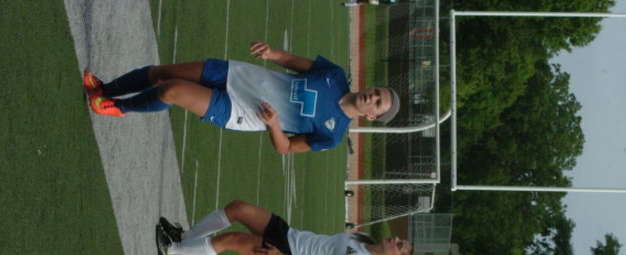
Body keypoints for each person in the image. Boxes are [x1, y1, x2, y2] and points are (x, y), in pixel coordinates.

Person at [84, 41, 400, 154]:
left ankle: (119, 107)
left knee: (171, 90)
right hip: (240, 75)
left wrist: (274, 124)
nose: (372, 96)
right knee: (161, 72)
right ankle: (106, 89)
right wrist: (271, 53)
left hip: (242, 111)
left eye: (378, 103)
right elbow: (292, 61)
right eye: (377, 92)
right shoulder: (335, 75)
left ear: (372, 116)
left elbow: (286, 148)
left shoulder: (333, 135)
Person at [155, 200, 413, 255]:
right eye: (400, 240)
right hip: (290, 236)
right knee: (238, 208)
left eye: (399, 246)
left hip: (285, 253)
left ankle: (171, 249)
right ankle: (185, 238)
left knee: (230, 240)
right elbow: (322, 250)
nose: (396, 239)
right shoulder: (363, 239)